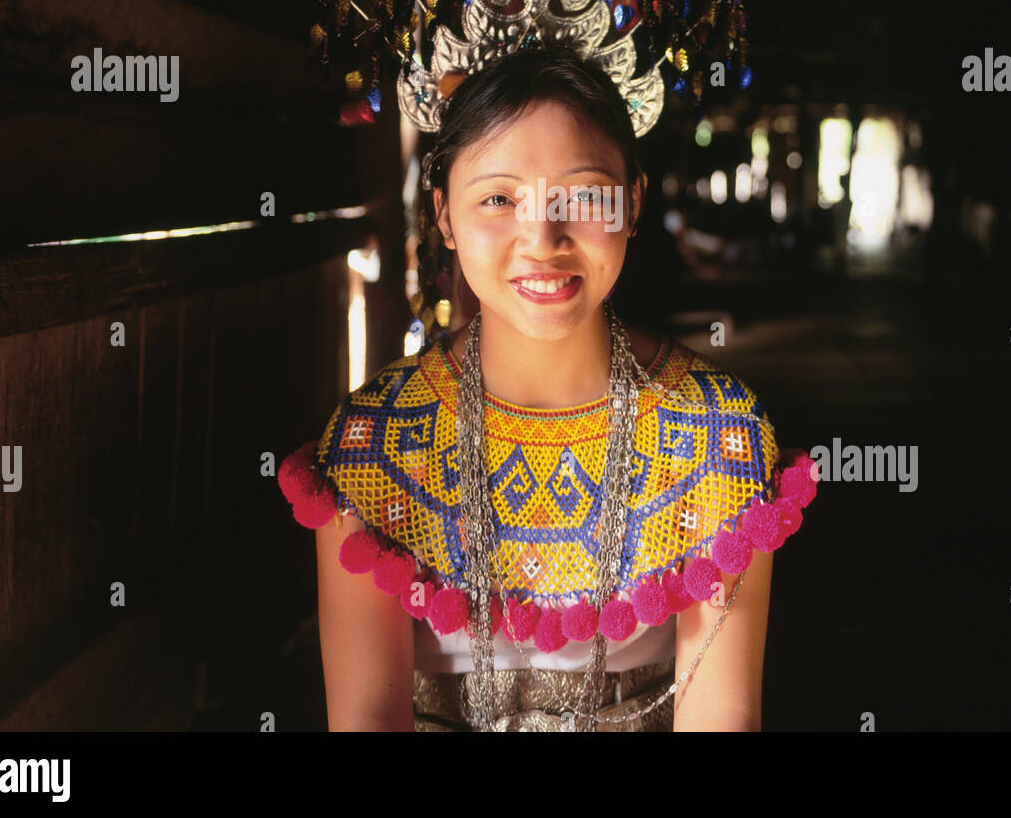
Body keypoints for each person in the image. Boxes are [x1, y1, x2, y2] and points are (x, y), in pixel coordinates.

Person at [278, 45, 818, 731]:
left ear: (633, 200)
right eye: (498, 198)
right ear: (444, 214)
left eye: (584, 195)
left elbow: (723, 717)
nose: (542, 238)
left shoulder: (719, 440)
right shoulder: (375, 448)